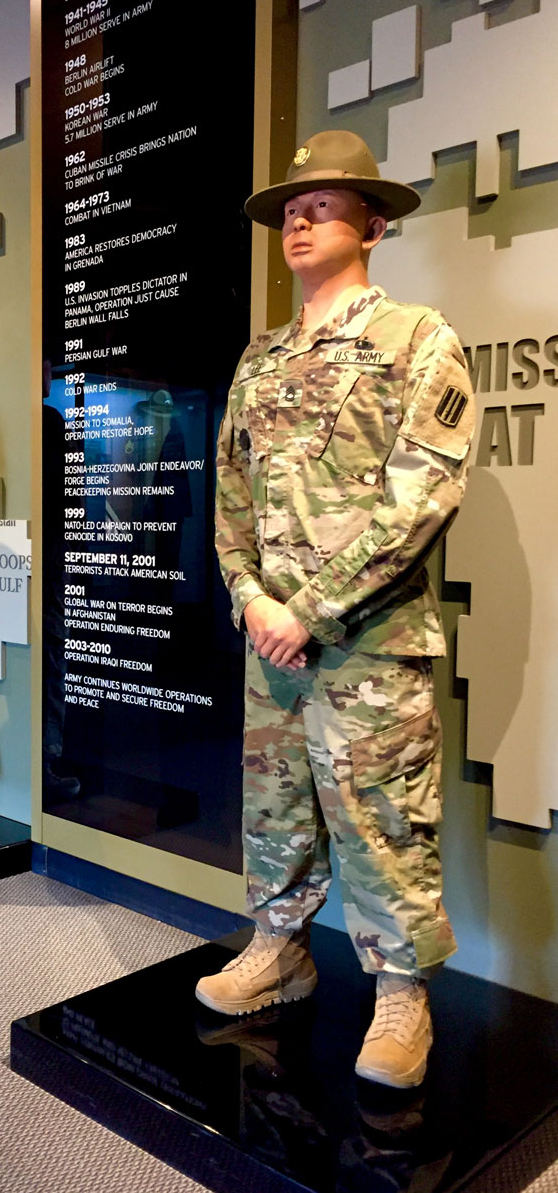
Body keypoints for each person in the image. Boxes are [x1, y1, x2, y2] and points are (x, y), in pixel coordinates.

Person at [196, 131, 474, 1088]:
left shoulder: (416, 339)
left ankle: (402, 996)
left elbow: (423, 494)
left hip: (369, 638)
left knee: (382, 817)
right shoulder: (261, 357)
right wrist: (247, 594)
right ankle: (280, 949)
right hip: (267, 638)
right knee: (277, 810)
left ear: (375, 223)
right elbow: (228, 493)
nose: (300, 221)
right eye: (290, 211)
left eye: (324, 206)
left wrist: (306, 609)